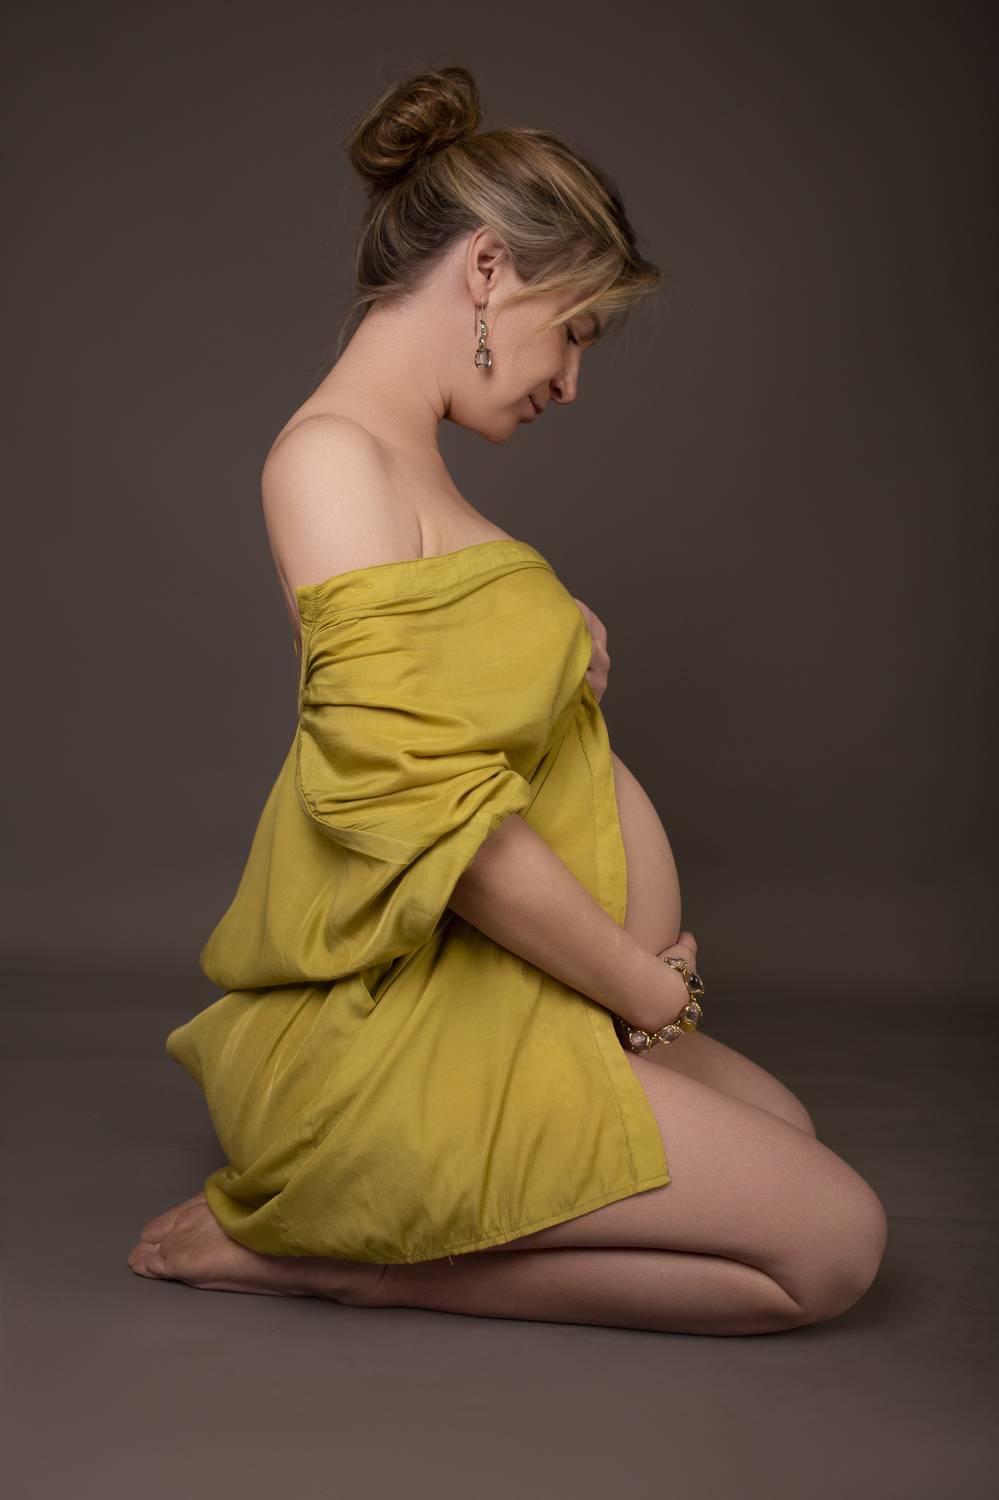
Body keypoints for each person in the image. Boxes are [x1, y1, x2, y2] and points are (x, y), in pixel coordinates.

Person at [127, 64, 887, 1335]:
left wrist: (547, 640)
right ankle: (355, 1262)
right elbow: (424, 814)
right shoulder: (330, 461)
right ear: (486, 269)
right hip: (396, 1036)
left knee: (786, 1132)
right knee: (835, 1248)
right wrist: (642, 988)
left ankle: (398, 1242)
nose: (571, 381)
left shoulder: (410, 471)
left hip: (507, 990)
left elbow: (461, 716)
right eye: (575, 330)